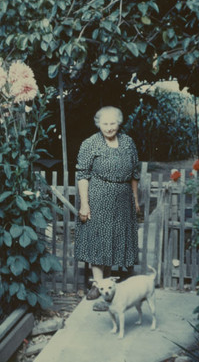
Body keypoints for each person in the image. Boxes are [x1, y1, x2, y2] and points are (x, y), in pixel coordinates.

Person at [75, 106, 140, 302]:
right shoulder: (90, 144)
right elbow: (82, 175)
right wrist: (84, 204)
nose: (109, 128)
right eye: (105, 123)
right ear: (98, 124)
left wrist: (135, 200)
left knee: (114, 239)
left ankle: (108, 282)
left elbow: (135, 174)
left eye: (113, 123)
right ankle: (97, 284)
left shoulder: (128, 143)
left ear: (119, 123)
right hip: (99, 197)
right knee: (99, 239)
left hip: (122, 199)